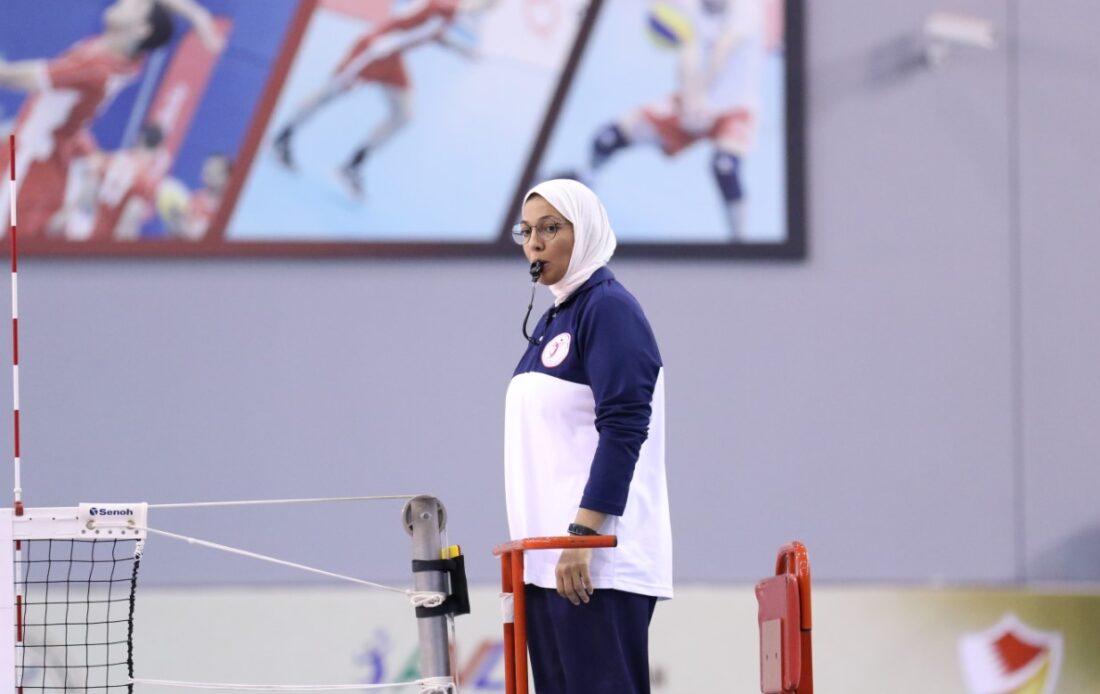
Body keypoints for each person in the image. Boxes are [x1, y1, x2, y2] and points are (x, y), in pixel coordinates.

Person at [504, 179, 671, 693]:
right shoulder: (557, 318)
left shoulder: (609, 309)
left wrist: (583, 535)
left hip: (593, 564)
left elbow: (624, 426)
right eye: (527, 230)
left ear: (588, 232)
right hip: (548, 563)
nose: (535, 242)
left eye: (551, 228)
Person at [0, 0, 222, 238]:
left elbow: (9, 76)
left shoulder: (97, 67)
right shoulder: (128, 59)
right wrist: (197, 14)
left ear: (141, 30)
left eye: (134, 6)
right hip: (47, 155)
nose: (126, 2)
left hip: (31, 162)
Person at [567, 0, 778, 242]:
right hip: (691, 98)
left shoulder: (747, 7)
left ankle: (740, 242)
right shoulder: (689, 5)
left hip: (735, 106)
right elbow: (687, 50)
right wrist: (690, 101)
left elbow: (724, 50)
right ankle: (587, 177)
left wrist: (698, 97)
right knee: (608, 137)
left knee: (725, 168)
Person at [271, 0, 496, 198]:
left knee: (404, 115)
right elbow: (455, 9)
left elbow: (433, 32)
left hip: (393, 58)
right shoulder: (445, 4)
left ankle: (353, 165)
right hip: (375, 51)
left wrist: (463, 50)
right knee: (328, 94)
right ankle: (282, 137)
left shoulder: (450, 12)